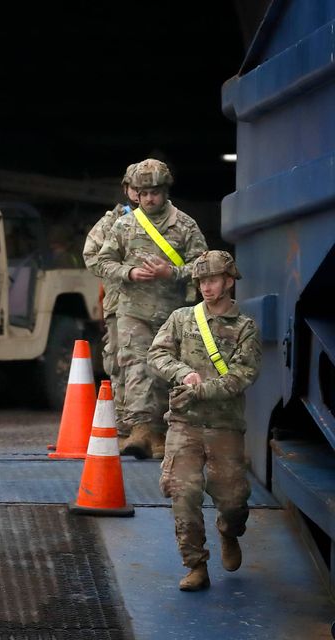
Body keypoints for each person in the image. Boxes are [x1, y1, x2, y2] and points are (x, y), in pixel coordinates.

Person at [147, 250, 261, 591]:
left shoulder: (245, 327)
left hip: (225, 426)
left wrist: (201, 390)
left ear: (228, 281)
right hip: (184, 424)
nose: (206, 287)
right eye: (201, 282)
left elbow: (243, 375)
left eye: (212, 280)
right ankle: (196, 565)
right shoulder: (182, 318)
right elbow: (157, 354)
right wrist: (182, 373)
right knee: (183, 493)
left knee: (233, 501)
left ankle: (229, 530)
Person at [95, 158, 208, 458]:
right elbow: (103, 262)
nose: (148, 199)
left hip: (172, 312)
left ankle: (161, 431)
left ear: (165, 191)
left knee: (165, 370)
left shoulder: (184, 225)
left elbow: (203, 265)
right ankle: (140, 429)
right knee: (134, 366)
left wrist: (171, 272)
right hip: (133, 310)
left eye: (154, 192)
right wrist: (129, 273)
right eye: (143, 193)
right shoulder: (124, 225)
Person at [83, 163, 139, 438]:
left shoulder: (171, 220)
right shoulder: (112, 221)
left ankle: (155, 425)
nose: (141, 193)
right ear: (126, 189)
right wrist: (122, 272)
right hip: (120, 303)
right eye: (136, 188)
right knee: (120, 358)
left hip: (162, 303)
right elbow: (91, 256)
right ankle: (124, 423)